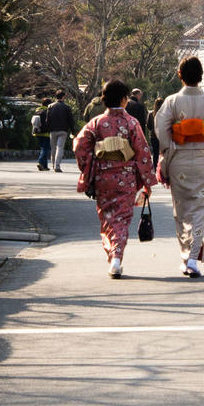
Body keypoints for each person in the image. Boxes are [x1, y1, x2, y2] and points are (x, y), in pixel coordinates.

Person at [154, 56, 204, 278]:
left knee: (181, 212)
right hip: (202, 161)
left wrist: (165, 155)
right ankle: (192, 259)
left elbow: (162, 132)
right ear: (201, 77)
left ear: (180, 75)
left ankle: (186, 257)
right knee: (199, 211)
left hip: (178, 160)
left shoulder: (171, 102)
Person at [74, 79, 157, 278]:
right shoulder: (131, 123)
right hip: (125, 177)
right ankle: (117, 258)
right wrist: (147, 180)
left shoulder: (96, 123)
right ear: (123, 99)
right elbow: (142, 152)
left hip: (103, 178)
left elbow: (79, 146)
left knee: (107, 219)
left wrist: (89, 167)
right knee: (122, 219)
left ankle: (112, 256)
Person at [47, 90, 77, 172]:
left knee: (53, 148)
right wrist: (73, 131)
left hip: (52, 130)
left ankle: (53, 165)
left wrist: (48, 128)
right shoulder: (67, 107)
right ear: (63, 97)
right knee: (60, 148)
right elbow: (71, 120)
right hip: (63, 130)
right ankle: (57, 165)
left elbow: (47, 120)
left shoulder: (50, 106)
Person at [32, 98, 51, 171]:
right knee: (45, 149)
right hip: (46, 133)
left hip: (37, 132)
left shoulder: (37, 110)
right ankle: (40, 162)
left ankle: (45, 166)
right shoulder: (48, 111)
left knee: (43, 149)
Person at [146, 96, 164, 169]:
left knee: (155, 153)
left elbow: (148, 126)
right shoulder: (165, 114)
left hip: (153, 136)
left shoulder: (151, 114)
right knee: (163, 153)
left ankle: (155, 167)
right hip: (163, 136)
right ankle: (162, 168)